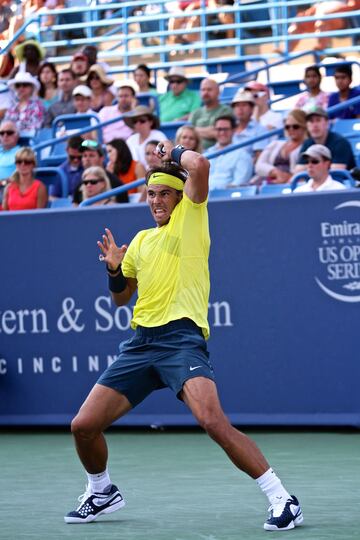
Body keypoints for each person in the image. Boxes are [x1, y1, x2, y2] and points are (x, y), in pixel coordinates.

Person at [64, 140, 303, 532]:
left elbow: (201, 164)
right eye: (151, 194)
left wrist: (172, 152)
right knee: (83, 425)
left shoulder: (192, 217)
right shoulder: (141, 240)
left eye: (164, 194)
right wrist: (114, 270)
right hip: (141, 343)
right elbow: (123, 299)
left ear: (179, 197)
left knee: (213, 421)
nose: (157, 201)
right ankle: (101, 490)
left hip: (180, 341)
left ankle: (282, 498)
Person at [294, 107, 356, 173]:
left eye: (318, 120)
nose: (315, 125)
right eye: (311, 121)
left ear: (327, 123)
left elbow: (337, 173)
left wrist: (309, 169)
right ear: (307, 125)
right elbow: (298, 171)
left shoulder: (340, 142)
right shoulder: (307, 143)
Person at [254, 109, 307, 184]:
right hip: (266, 181)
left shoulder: (308, 147)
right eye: (287, 127)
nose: (291, 129)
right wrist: (275, 172)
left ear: (304, 126)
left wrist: (287, 178)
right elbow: (259, 166)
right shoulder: (275, 144)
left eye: (295, 126)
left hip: (292, 184)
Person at [287, 0, 360, 52]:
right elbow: (317, 6)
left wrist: (333, 12)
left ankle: (321, 46)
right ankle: (287, 50)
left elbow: (354, 5)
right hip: (321, 15)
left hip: (343, 20)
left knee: (323, 16)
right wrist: (308, 13)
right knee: (298, 20)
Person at [72, 139, 129, 205]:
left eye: (91, 155)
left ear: (102, 158)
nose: (87, 159)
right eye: (84, 156)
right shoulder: (79, 184)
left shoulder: (115, 182)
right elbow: (75, 208)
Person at [205, 115, 253, 188]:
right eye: (219, 129)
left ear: (233, 130)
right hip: (199, 196)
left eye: (226, 129)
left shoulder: (242, 154)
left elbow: (239, 184)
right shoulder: (207, 153)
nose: (222, 133)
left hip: (223, 197)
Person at [189, 78, 233, 150]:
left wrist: (195, 130)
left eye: (209, 90)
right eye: (203, 90)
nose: (205, 93)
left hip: (218, 153)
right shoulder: (196, 113)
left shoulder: (225, 110)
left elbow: (217, 133)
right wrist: (208, 130)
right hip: (196, 153)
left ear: (218, 92)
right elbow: (189, 133)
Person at [231, 90, 268, 159]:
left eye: (244, 105)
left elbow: (258, 158)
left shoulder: (260, 130)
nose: (240, 109)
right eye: (237, 105)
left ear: (252, 109)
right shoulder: (229, 129)